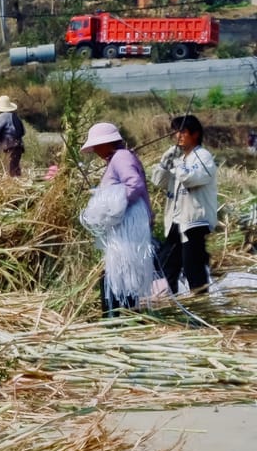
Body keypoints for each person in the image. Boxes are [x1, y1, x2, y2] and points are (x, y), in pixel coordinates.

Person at [78, 122, 153, 315]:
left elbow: (134, 185)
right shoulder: (119, 158)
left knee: (120, 275)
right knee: (121, 274)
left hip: (128, 227)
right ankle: (123, 317)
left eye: (96, 146)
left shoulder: (121, 157)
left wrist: (112, 206)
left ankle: (117, 320)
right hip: (124, 228)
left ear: (107, 143)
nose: (95, 151)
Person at [151, 114, 218, 295]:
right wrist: (164, 163)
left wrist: (177, 164)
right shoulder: (180, 159)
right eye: (176, 132)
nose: (178, 136)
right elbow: (159, 181)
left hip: (194, 222)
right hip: (175, 221)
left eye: (183, 132)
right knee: (167, 265)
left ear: (195, 134)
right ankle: (170, 305)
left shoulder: (203, 157)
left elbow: (190, 178)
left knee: (193, 268)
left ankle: (201, 307)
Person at [0, 96, 26, 178]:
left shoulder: (2, 116)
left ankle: (13, 185)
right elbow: (23, 132)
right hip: (19, 146)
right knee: (15, 166)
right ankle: (18, 183)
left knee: (10, 169)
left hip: (9, 146)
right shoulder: (16, 117)